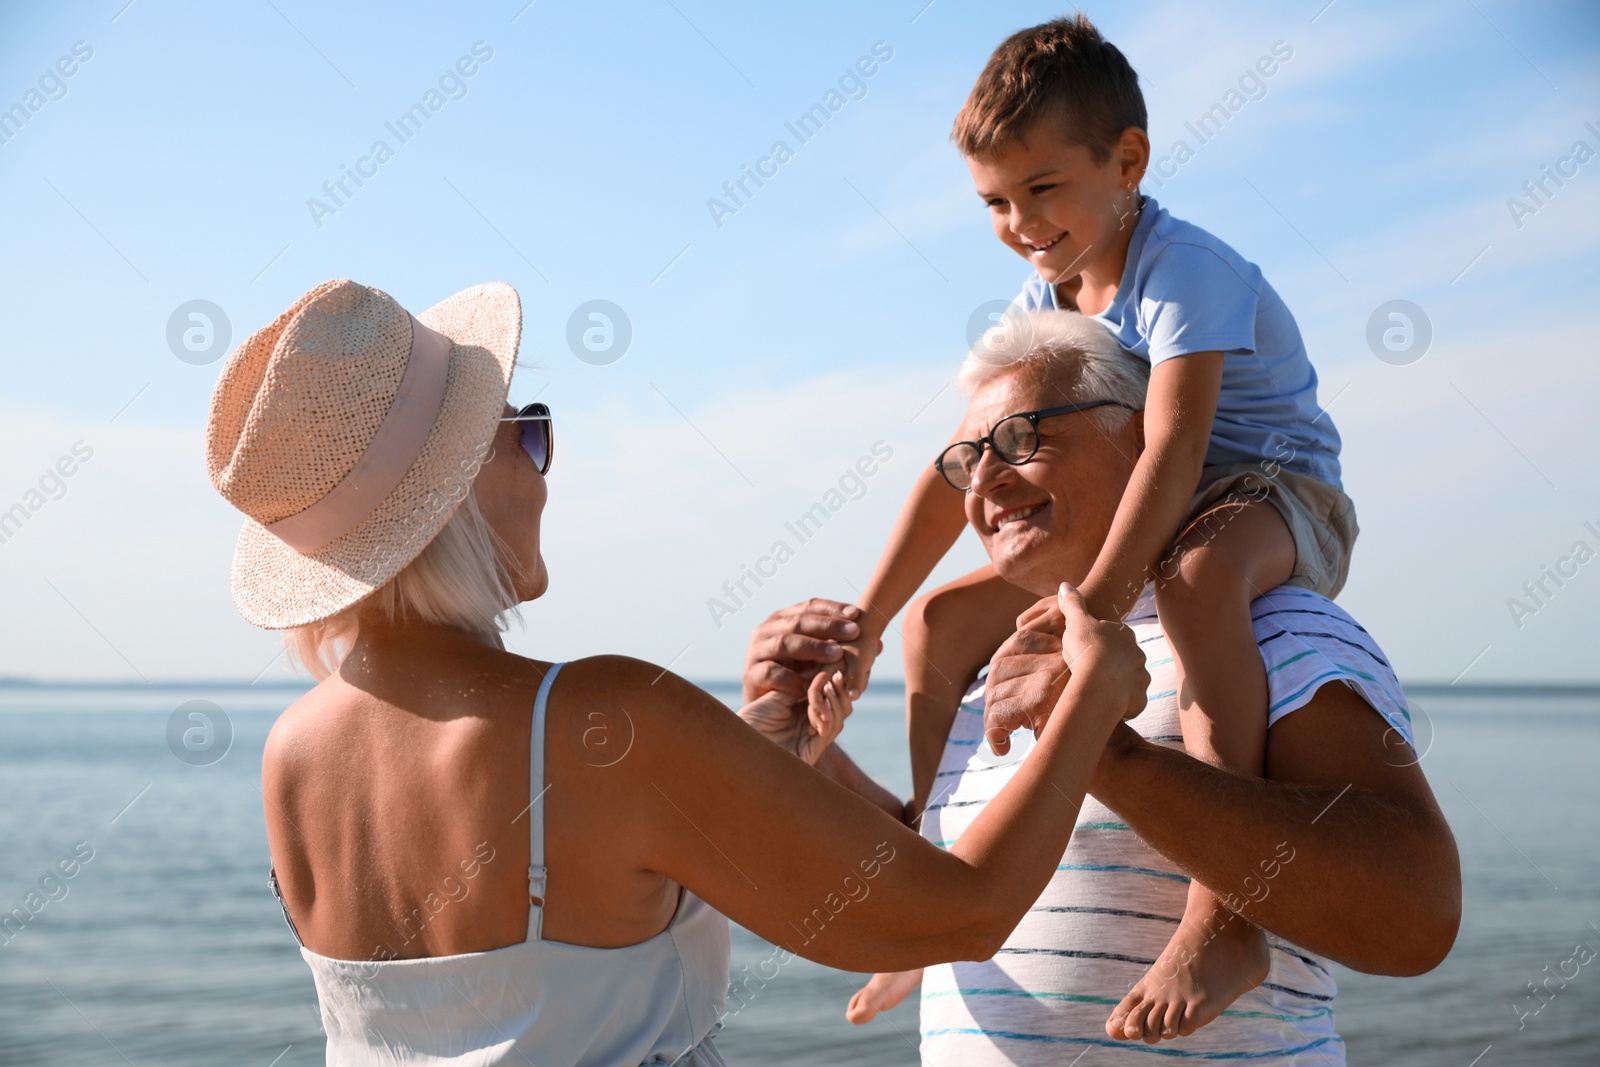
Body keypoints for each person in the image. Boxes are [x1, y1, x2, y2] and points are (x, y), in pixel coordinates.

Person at [205, 278, 1151, 1066]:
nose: (543, 467)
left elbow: (574, 904)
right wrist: (1094, 692)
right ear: (454, 492)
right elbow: (957, 915)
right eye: (526, 431)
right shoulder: (601, 717)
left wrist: (773, 744)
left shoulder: (290, 754)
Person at [745, 310, 1460, 1063]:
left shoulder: (1265, 625)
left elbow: (1417, 914)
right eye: (967, 458)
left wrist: (1104, 746)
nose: (985, 477)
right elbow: (939, 882)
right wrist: (806, 758)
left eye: (1020, 439)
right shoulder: (987, 668)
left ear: (1140, 436)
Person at [843, 13, 1358, 1041]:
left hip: (1274, 494)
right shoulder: (1051, 289)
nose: (1019, 220)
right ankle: (938, 895)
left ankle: (1225, 917)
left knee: (1200, 585)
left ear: (1126, 161)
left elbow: (1174, 448)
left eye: (1041, 189)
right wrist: (865, 615)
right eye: (994, 201)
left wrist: (1091, 606)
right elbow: (953, 470)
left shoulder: (1184, 270)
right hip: (1155, 508)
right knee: (937, 627)